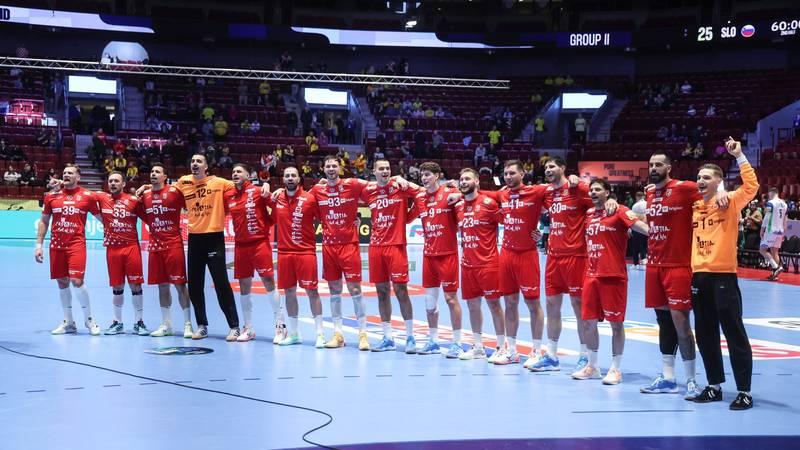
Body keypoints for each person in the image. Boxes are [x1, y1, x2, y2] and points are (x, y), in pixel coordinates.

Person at [690, 138, 758, 410]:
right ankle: (714, 386)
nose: (700, 180)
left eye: (706, 177)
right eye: (699, 177)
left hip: (723, 277)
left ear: (718, 181)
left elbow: (751, 187)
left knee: (734, 334)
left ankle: (744, 391)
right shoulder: (695, 207)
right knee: (705, 335)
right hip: (699, 277)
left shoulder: (729, 202)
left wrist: (739, 156)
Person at [571, 178, 649, 385]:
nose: (593, 193)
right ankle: (592, 366)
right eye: (591, 190)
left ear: (607, 192)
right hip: (591, 275)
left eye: (598, 189)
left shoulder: (619, 210)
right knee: (588, 322)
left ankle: (615, 369)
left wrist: (660, 233)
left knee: (616, 324)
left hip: (613, 276)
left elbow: (642, 227)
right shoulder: (589, 214)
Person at [528, 157, 599, 372]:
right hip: (553, 257)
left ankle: (585, 356)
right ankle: (551, 355)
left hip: (576, 256)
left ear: (563, 168)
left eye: (552, 166)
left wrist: (582, 182)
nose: (548, 170)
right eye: (546, 167)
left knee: (579, 307)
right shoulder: (548, 193)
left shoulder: (578, 189)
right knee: (552, 305)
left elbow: (601, 199)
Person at [479, 161, 547, 365]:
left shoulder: (536, 192)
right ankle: (512, 351)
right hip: (507, 254)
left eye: (512, 173)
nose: (508, 177)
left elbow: (560, 194)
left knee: (533, 304)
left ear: (523, 174)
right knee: (510, 303)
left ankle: (537, 351)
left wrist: (542, 233)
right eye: (506, 173)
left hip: (527, 255)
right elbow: (480, 192)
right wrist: (454, 189)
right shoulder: (502, 194)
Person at [307, 156, 370, 350]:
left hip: (349, 246)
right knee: (334, 291)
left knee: (355, 290)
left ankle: (363, 334)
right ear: (323, 169)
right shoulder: (317, 190)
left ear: (340, 168)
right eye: (328, 166)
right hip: (329, 247)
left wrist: (398, 179)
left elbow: (377, 184)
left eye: (334, 165)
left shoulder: (352, 184)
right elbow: (301, 201)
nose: (331, 168)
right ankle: (338, 334)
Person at [361, 159, 423, 352]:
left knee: (401, 291)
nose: (385, 171)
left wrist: (409, 215)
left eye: (388, 168)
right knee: (381, 292)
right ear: (374, 172)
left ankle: (410, 337)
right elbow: (346, 191)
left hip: (396, 246)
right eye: (381, 169)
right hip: (376, 248)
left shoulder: (400, 186)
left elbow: (423, 192)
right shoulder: (368, 190)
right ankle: (388, 337)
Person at [35, 165, 102, 335]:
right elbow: (44, 221)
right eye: (64, 172)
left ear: (78, 177)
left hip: (76, 245)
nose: (66, 175)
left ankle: (89, 320)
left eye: (70, 173)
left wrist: (112, 230)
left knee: (77, 281)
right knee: (62, 282)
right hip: (57, 246)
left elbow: (101, 217)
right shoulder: (51, 196)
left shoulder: (87, 196)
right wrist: (38, 245)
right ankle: (69, 322)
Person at [267, 166, 325, 347]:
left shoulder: (310, 199)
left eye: (293, 175)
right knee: (289, 293)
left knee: (312, 292)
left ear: (299, 179)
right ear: (283, 179)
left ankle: (320, 334)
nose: (290, 178)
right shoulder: (276, 199)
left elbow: (325, 218)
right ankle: (294, 334)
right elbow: (268, 216)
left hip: (306, 253)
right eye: (287, 175)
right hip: (284, 254)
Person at [225, 163, 284, 342]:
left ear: (248, 175)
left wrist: (268, 222)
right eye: (233, 172)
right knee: (244, 286)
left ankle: (280, 327)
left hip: (259, 244)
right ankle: (248, 328)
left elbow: (277, 207)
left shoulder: (259, 191)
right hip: (240, 246)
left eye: (239, 171)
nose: (235, 174)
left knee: (268, 282)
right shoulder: (228, 195)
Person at [454, 168, 505, 361]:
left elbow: (510, 221)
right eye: (461, 179)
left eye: (467, 179)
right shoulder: (458, 207)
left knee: (494, 305)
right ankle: (478, 347)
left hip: (488, 264)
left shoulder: (489, 204)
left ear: (476, 181)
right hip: (467, 265)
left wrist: (535, 233)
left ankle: (501, 347)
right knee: (473, 306)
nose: (463, 182)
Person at [414, 162, 463, 358]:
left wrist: (458, 190)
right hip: (428, 256)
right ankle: (433, 341)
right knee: (429, 303)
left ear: (437, 175)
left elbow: (470, 198)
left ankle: (457, 343)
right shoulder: (419, 197)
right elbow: (407, 216)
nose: (424, 178)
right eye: (422, 175)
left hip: (447, 254)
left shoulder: (450, 193)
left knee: (451, 299)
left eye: (427, 175)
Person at [139, 163, 193, 338]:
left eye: (157, 172)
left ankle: (188, 324)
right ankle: (167, 325)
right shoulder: (145, 195)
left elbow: (190, 204)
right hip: (155, 247)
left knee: (180, 285)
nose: (153, 174)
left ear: (165, 177)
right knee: (162, 286)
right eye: (152, 171)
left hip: (173, 245)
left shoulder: (175, 192)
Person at [92, 172, 148, 335]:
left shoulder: (133, 201)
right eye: (110, 181)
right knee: (117, 286)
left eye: (116, 181)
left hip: (131, 248)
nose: (113, 183)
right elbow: (82, 192)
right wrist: (62, 183)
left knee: (135, 285)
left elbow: (149, 219)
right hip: (112, 250)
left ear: (123, 184)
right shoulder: (102, 198)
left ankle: (139, 322)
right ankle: (117, 323)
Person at [760, 187, 789, 280]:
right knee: (774, 251)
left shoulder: (771, 203)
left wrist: (762, 229)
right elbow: (785, 220)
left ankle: (776, 267)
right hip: (780, 231)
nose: (768, 196)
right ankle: (775, 275)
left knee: (762, 250)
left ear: (771, 193)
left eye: (769, 194)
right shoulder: (785, 204)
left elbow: (767, 217)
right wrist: (784, 233)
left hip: (770, 230)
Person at [630, 190, 648, 269]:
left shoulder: (635, 206)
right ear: (643, 196)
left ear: (636, 197)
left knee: (635, 246)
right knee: (645, 244)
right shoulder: (648, 203)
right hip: (646, 227)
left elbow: (632, 218)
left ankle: (636, 263)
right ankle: (645, 260)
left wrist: (630, 228)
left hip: (637, 228)